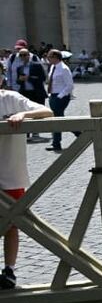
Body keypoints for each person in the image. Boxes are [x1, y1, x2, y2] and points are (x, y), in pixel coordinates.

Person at [0, 89, 53, 289]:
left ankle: (9, 269)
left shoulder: (11, 98)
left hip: (10, 172)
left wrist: (23, 114)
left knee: (11, 224)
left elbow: (46, 112)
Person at [12, 48, 49, 143]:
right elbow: (17, 81)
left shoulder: (37, 65)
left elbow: (43, 78)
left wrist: (29, 78)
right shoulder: (19, 68)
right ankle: (27, 133)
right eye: (21, 55)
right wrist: (20, 80)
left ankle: (36, 133)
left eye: (25, 55)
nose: (23, 57)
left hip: (36, 92)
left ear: (29, 55)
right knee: (25, 112)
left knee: (37, 112)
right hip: (25, 93)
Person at [44, 49, 76, 152]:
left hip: (61, 97)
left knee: (57, 119)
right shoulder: (53, 67)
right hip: (53, 95)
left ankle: (56, 143)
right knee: (59, 119)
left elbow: (70, 85)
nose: (47, 58)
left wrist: (59, 96)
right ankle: (78, 132)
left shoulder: (64, 69)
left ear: (55, 57)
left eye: (49, 57)